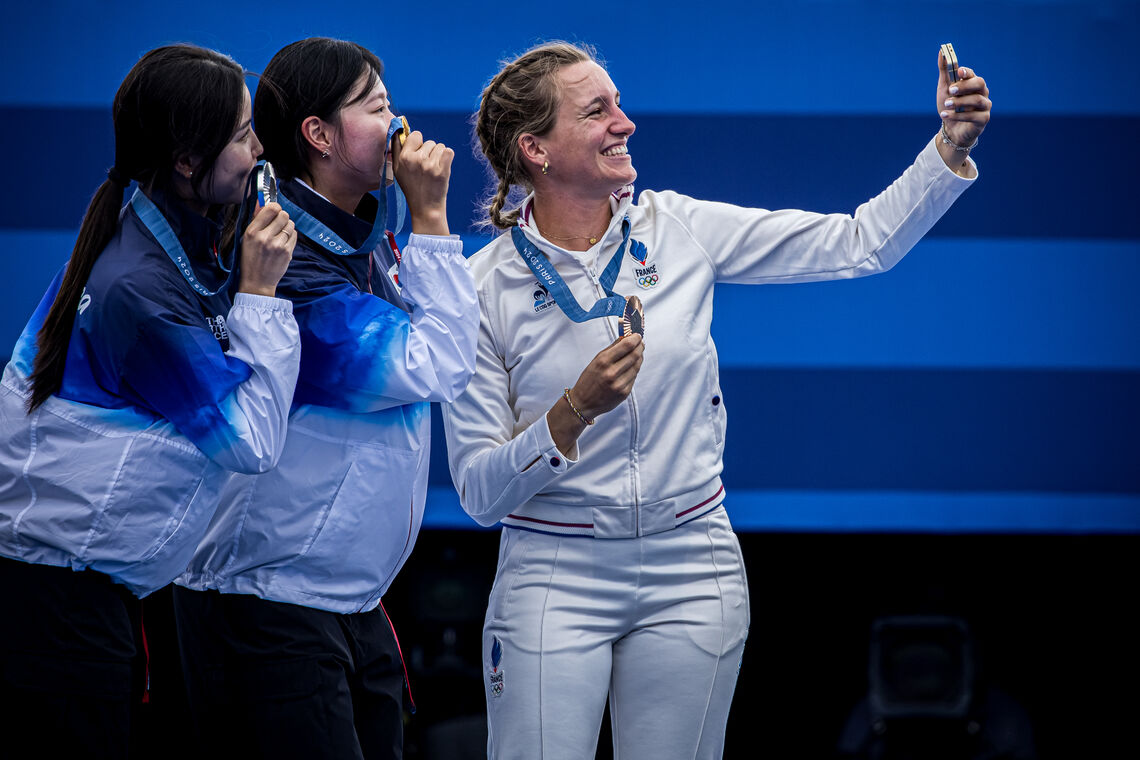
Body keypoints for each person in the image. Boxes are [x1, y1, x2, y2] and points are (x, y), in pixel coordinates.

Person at [441, 41, 990, 759]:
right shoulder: (480, 288)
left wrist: (945, 148)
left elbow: (861, 243)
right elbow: (480, 492)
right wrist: (572, 411)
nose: (626, 122)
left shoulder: (680, 230)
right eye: (597, 110)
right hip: (553, 569)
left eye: (620, 102)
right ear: (536, 149)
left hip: (690, 566)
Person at [173, 37, 479, 760]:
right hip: (266, 603)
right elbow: (436, 367)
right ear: (319, 134)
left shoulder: (357, 228)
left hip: (342, 598)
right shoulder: (288, 264)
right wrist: (432, 216)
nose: (400, 124)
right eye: (376, 107)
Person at [0, 44, 300, 758]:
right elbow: (252, 442)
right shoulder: (140, 290)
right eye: (241, 135)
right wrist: (261, 292)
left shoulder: (153, 227)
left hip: (77, 601)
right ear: (187, 162)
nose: (260, 150)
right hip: (57, 617)